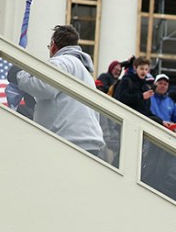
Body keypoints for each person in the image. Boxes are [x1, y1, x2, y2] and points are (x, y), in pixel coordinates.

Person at [9, 25, 105, 157]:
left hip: (68, 141)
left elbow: (44, 86)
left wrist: (18, 75)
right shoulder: (83, 71)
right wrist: (35, 101)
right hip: (87, 142)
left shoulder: (61, 61)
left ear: (53, 45)